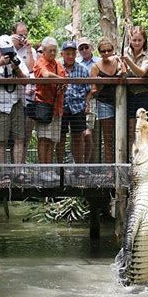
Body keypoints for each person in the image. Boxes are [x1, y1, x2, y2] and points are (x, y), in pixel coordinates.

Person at [0, 34, 29, 185]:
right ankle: (3, 173)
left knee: (19, 138)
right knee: (0, 140)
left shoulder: (16, 57)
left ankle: (18, 172)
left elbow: (26, 81)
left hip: (15, 103)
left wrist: (16, 69)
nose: (6, 53)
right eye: (3, 51)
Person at [33, 37, 66, 182]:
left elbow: (64, 82)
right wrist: (59, 79)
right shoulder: (40, 62)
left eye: (54, 50)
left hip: (57, 107)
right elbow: (45, 75)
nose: (52, 53)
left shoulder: (59, 65)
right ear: (44, 51)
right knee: (43, 139)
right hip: (44, 107)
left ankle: (49, 168)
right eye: (50, 50)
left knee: (52, 140)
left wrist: (61, 83)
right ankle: (42, 170)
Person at [56, 41, 91, 178]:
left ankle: (79, 168)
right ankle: (60, 168)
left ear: (75, 54)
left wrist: (86, 103)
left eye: (72, 53)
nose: (70, 56)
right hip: (61, 107)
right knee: (60, 138)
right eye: (67, 53)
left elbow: (89, 89)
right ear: (62, 54)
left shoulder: (82, 69)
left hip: (77, 108)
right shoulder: (57, 67)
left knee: (78, 138)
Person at [121, 26, 148, 153]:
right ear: (130, 40)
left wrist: (127, 61)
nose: (136, 43)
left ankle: (147, 159)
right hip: (129, 95)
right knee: (131, 129)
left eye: (139, 40)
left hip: (145, 95)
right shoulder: (124, 51)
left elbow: (141, 73)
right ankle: (131, 159)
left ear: (144, 40)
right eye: (134, 40)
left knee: (146, 130)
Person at [88, 37, 121, 169]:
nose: (106, 53)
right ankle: (109, 168)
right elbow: (93, 90)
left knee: (121, 135)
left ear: (113, 50)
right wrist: (100, 84)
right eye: (103, 51)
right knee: (108, 138)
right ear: (99, 52)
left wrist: (121, 67)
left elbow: (124, 75)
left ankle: (122, 166)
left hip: (121, 102)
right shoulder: (95, 67)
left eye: (109, 50)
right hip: (104, 103)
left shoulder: (119, 61)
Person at [11, 22, 39, 161]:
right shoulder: (8, 48)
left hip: (29, 101)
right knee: (12, 137)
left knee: (26, 136)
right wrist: (12, 44)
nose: (23, 38)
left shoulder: (31, 51)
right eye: (20, 35)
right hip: (12, 99)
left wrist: (28, 49)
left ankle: (21, 167)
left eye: (25, 35)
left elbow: (31, 70)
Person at [76, 37, 100, 164]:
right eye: (81, 48)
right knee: (78, 134)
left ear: (91, 47)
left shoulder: (99, 61)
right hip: (77, 102)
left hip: (94, 100)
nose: (84, 50)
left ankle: (87, 164)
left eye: (86, 47)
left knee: (88, 134)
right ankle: (79, 165)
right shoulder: (75, 63)